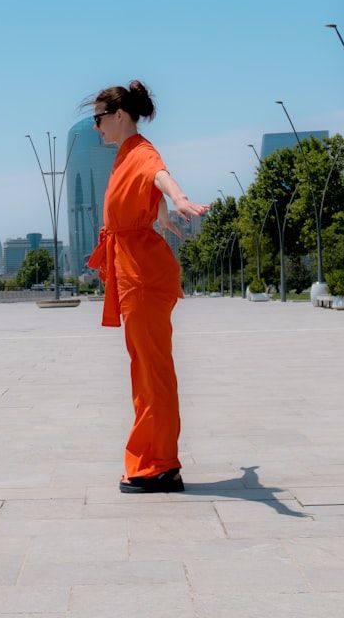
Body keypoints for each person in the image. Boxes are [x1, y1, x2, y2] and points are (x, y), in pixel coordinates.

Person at [86, 80, 208, 493]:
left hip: (142, 274)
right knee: (146, 369)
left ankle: (157, 465)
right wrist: (159, 215)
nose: (96, 127)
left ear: (119, 116)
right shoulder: (125, 155)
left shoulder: (141, 151)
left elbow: (158, 175)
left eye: (98, 119)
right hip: (133, 269)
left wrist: (178, 197)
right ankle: (157, 462)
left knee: (152, 371)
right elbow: (144, 189)